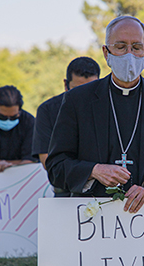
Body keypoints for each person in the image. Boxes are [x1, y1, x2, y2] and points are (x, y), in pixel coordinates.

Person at [46, 15, 144, 212]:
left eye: (136, 47)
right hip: (91, 221)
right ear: (106, 52)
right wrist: (93, 171)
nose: (129, 54)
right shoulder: (77, 100)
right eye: (120, 46)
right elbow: (56, 166)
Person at [32, 56, 100, 197]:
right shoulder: (48, 110)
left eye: (90, 88)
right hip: (66, 191)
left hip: (102, 191)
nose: (84, 96)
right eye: (78, 89)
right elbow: (47, 160)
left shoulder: (107, 107)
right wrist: (90, 171)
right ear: (66, 84)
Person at [0, 85, 35, 172]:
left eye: (13, 117)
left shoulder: (29, 122)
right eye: (3, 117)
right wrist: (17, 163)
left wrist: (7, 165)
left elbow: (30, 161)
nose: (8, 121)